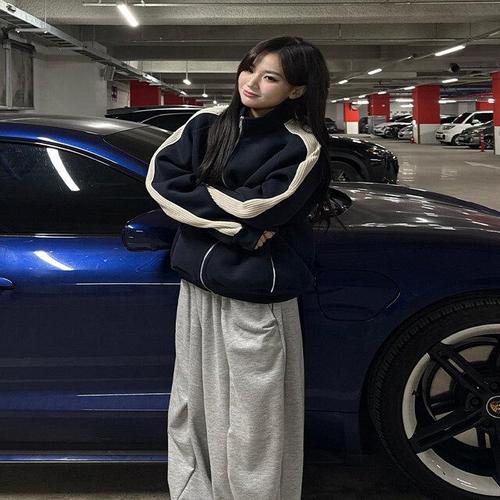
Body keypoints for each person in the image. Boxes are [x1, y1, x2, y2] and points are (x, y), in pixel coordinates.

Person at [146, 35, 332, 500]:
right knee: (192, 405)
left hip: (254, 298)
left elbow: (261, 208)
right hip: (198, 290)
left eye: (270, 78)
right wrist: (241, 232)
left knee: (255, 417)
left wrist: (203, 211)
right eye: (250, 69)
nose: (251, 82)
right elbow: (162, 182)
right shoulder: (205, 123)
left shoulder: (301, 146)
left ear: (296, 90)